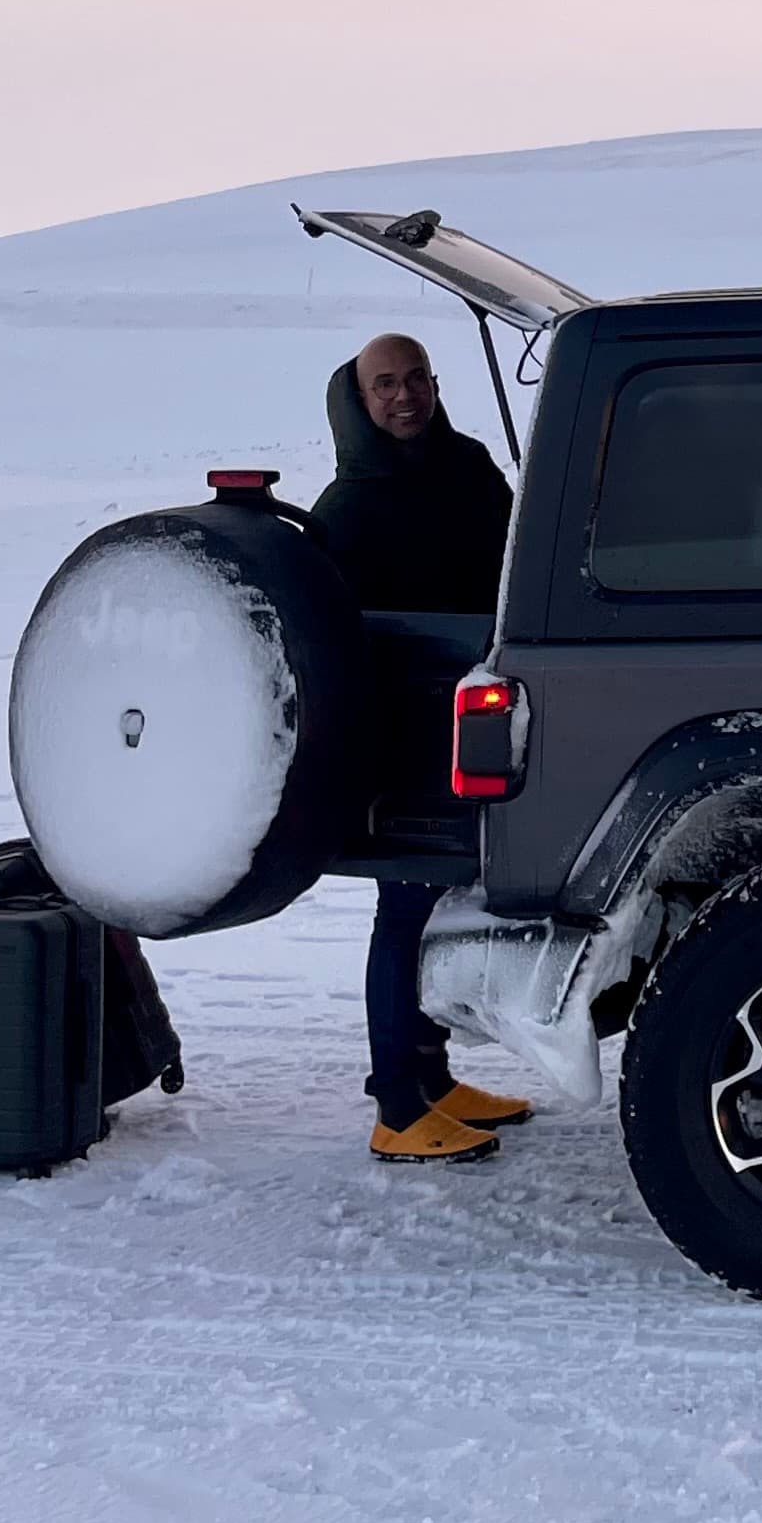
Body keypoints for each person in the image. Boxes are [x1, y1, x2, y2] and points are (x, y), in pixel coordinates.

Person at [309, 331, 530, 1167]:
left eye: (416, 380)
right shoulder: (349, 509)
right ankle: (397, 1104)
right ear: (359, 400)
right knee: (402, 908)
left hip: (471, 715)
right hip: (401, 739)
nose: (405, 397)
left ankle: (433, 1082)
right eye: (385, 386)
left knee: (435, 902)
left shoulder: (468, 465)